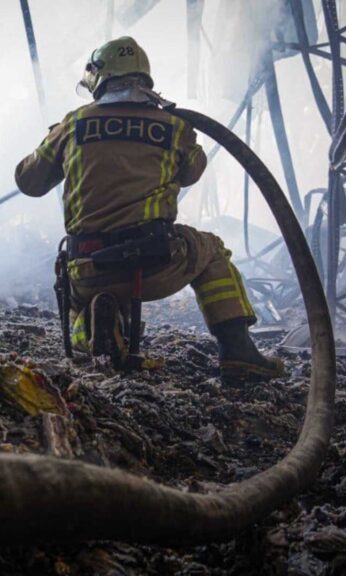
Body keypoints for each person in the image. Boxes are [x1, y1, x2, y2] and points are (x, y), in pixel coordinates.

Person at [14, 36, 284, 380]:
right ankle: (238, 352)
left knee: (82, 310)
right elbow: (192, 173)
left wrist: (59, 142)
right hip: (153, 265)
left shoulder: (73, 123)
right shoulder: (174, 127)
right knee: (212, 249)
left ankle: (94, 327)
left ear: (99, 78)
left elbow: (28, 181)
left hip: (87, 269)